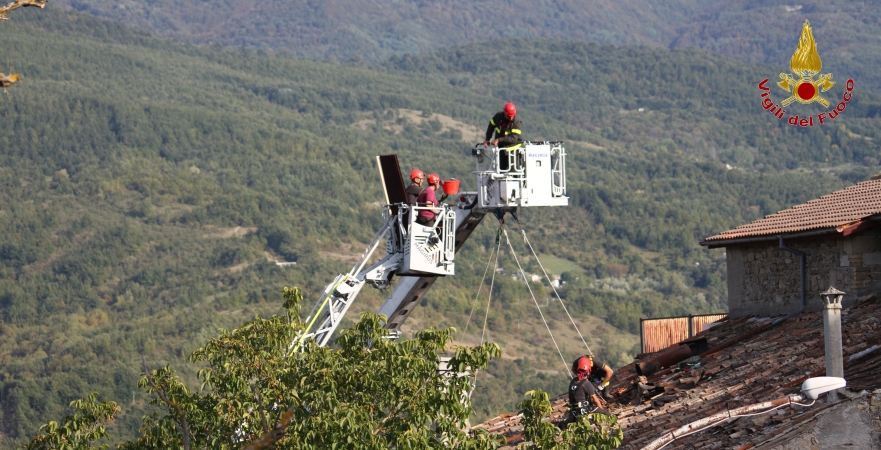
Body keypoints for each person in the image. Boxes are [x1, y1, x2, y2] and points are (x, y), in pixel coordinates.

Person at [559, 356, 612, 429]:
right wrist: (601, 410)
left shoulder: (573, 381)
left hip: (574, 411)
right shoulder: (586, 383)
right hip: (584, 409)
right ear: (589, 371)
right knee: (607, 414)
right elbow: (595, 400)